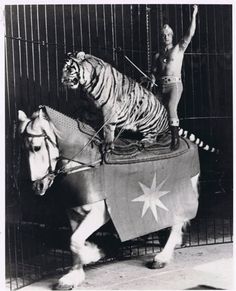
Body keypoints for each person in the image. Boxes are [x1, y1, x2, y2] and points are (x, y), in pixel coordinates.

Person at [151, 5, 198, 150]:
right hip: (161, 86)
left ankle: (175, 140)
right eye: (163, 35)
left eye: (168, 35)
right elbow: (154, 71)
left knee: (171, 108)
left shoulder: (178, 48)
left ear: (172, 35)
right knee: (152, 107)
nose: (166, 37)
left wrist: (194, 14)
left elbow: (190, 34)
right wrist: (152, 77)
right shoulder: (158, 55)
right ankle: (155, 135)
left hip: (174, 86)